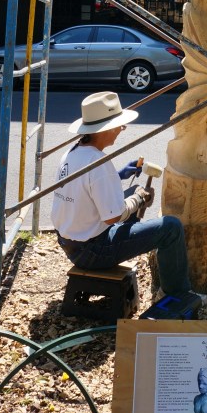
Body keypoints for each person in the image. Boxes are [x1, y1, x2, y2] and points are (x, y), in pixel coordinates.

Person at [51, 90, 193, 298]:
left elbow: (86, 186)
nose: (121, 130)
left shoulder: (73, 152)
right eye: (120, 126)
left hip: (70, 242)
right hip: (92, 251)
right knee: (171, 227)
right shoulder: (99, 164)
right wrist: (138, 199)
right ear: (105, 129)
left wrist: (117, 176)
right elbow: (112, 216)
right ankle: (177, 294)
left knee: (129, 194)